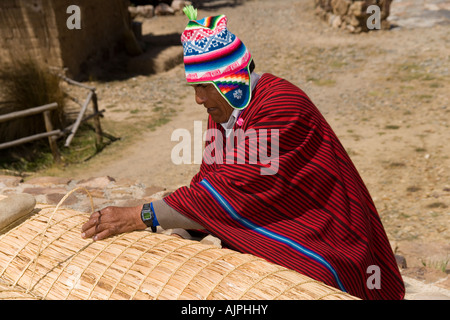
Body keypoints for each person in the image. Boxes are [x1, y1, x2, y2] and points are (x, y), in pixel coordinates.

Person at [81, 6, 405, 300]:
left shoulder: (279, 106)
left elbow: (229, 191)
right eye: (195, 88)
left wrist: (140, 216)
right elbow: (210, 180)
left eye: (204, 87)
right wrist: (179, 234)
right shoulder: (227, 108)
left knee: (308, 287)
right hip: (284, 223)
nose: (198, 99)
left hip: (324, 239)